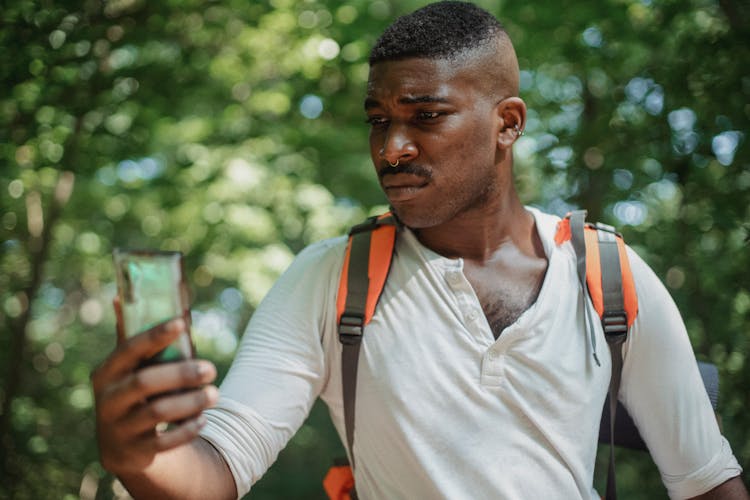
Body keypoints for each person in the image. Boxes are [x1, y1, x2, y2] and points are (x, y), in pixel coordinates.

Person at [92, 2, 748, 498]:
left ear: (508, 123)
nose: (391, 148)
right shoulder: (331, 279)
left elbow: (707, 482)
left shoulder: (610, 275)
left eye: (425, 116)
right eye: (379, 120)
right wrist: (138, 456)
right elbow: (218, 469)